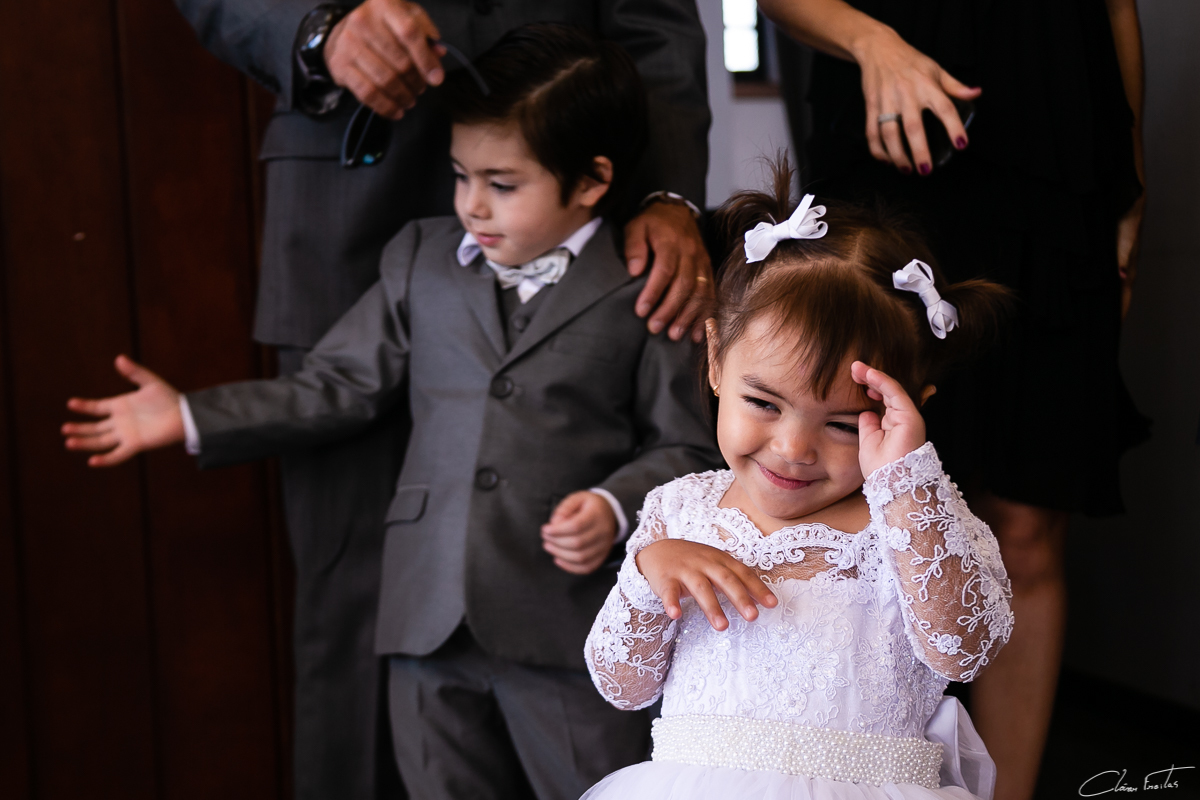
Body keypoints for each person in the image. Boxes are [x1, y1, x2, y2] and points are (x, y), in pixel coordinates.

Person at [63, 25, 723, 800]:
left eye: (502, 184)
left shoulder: (645, 291)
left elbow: (685, 448)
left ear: (590, 181)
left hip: (564, 625)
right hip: (425, 618)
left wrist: (614, 506)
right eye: (460, 175)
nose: (472, 204)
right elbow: (335, 384)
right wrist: (192, 416)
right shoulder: (421, 260)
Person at [757, 2, 1148, 798]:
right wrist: (872, 44)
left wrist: (1130, 176)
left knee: (1030, 521)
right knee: (853, 493)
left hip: (1059, 150)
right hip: (885, 140)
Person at [581, 168, 1014, 800]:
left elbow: (962, 650)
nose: (793, 449)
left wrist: (906, 483)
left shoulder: (918, 523)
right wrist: (649, 577)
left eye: (842, 423)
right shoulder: (679, 511)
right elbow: (623, 686)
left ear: (910, 408)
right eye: (763, 402)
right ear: (715, 357)